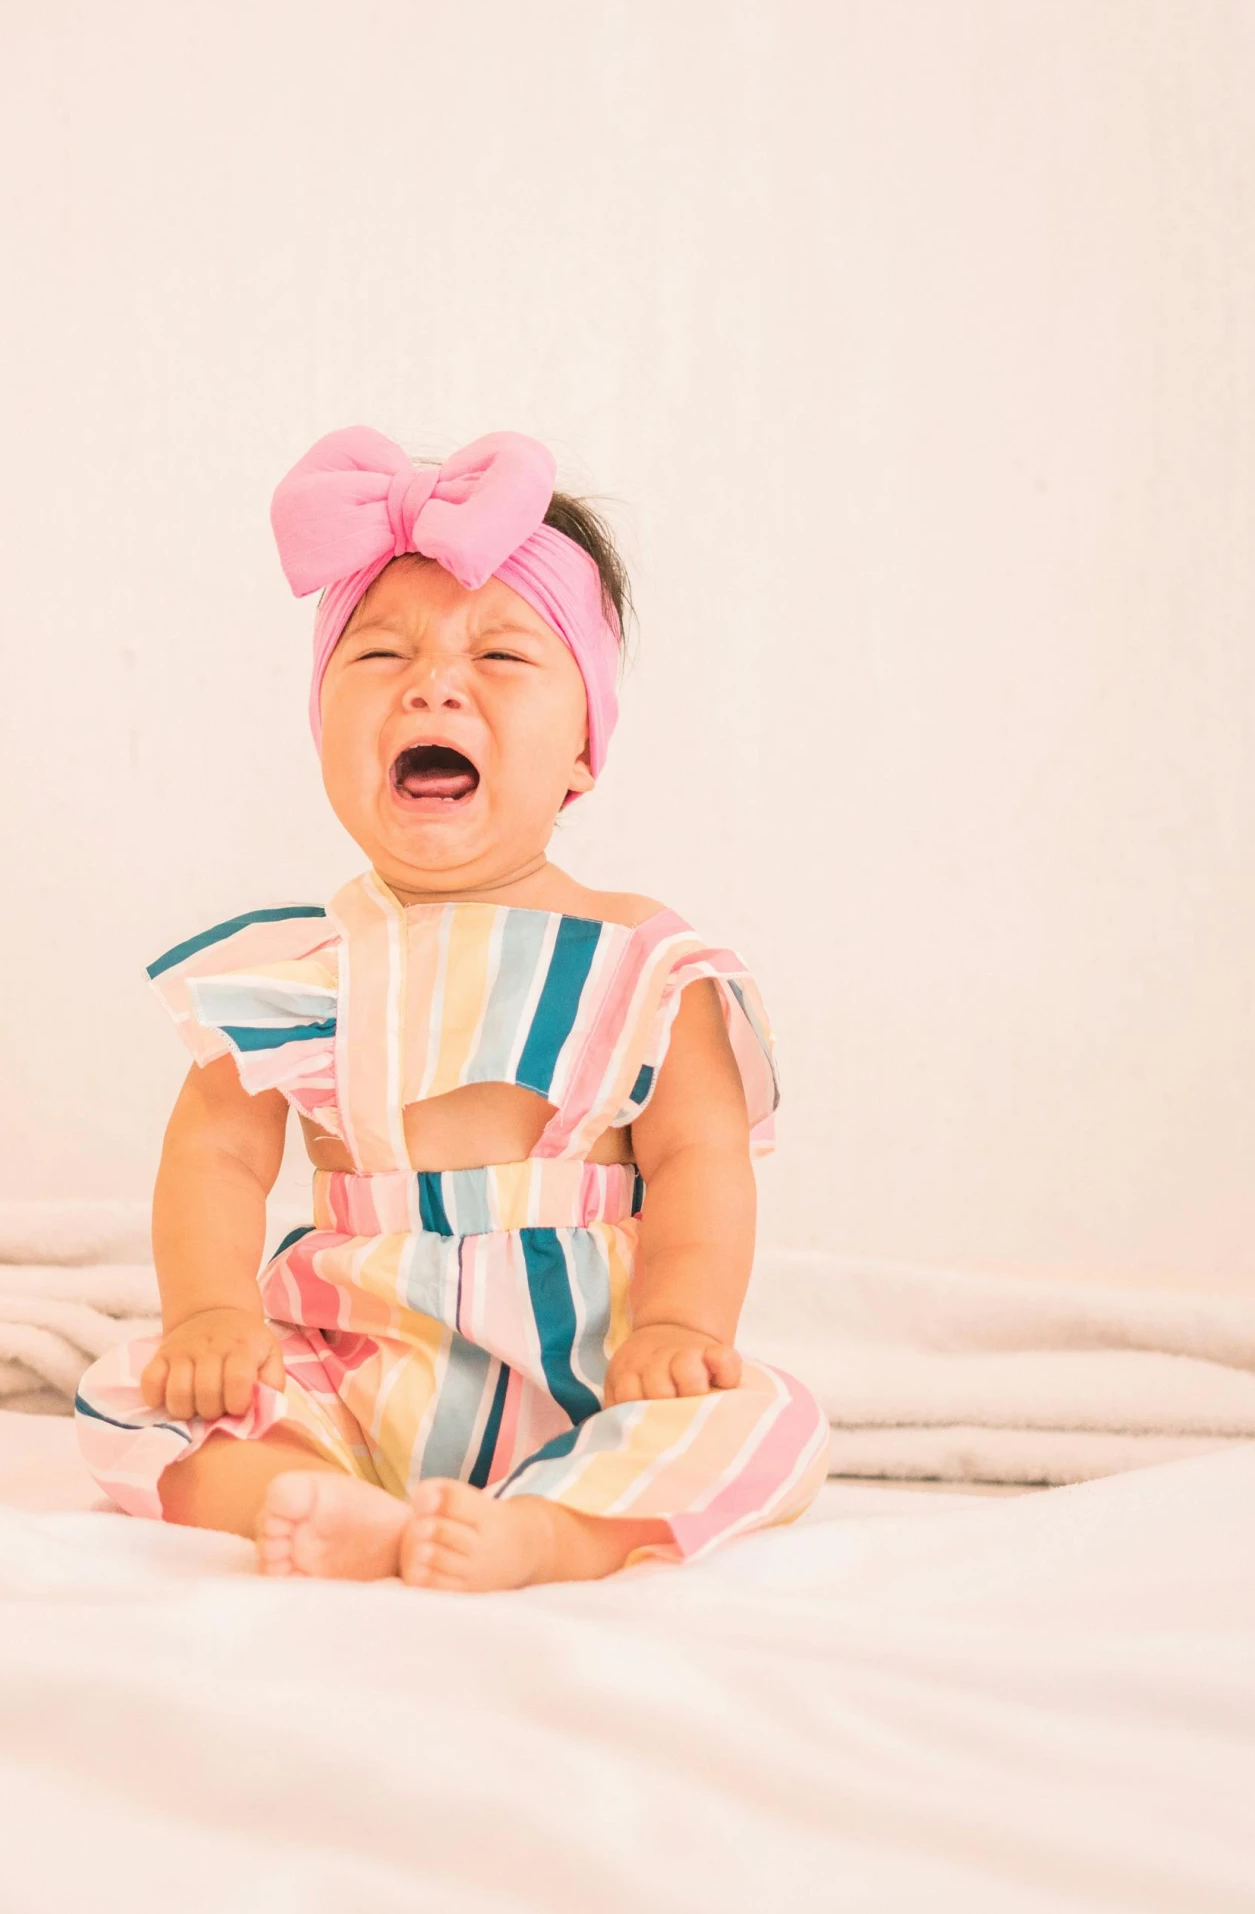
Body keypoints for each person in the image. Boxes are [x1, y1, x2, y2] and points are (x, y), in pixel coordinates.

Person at [74, 425, 830, 1588]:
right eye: (379, 656)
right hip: (352, 1363)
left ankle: (549, 1530)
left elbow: (699, 1158)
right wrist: (211, 1316)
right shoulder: (296, 967)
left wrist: (680, 1324)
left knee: (764, 1421)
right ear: (323, 729)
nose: (433, 681)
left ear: (583, 748)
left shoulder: (642, 962)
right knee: (128, 1393)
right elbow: (217, 1153)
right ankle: (311, 1497)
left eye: (502, 658)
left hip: (588, 1375)